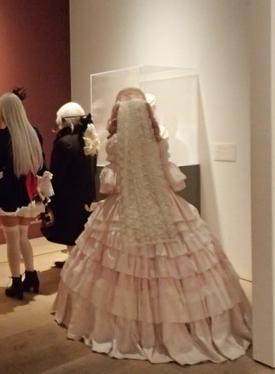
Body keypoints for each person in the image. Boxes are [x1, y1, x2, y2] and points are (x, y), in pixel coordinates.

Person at [53, 87, 252, 365]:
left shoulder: (116, 143)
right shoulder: (158, 142)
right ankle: (177, 323)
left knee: (122, 267)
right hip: (162, 202)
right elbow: (170, 179)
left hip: (124, 205)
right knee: (172, 262)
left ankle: (129, 325)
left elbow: (111, 184)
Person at [0, 89, 52, 300]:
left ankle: (16, 282)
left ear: (4, 112)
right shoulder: (34, 133)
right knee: (23, 237)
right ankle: (31, 276)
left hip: (8, 192)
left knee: (12, 240)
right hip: (28, 192)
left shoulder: (2, 136)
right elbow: (41, 165)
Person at [41, 102, 99, 267]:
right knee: (80, 230)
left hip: (68, 196)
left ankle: (74, 265)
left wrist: (49, 196)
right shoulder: (89, 140)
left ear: (64, 121)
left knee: (69, 231)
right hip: (86, 194)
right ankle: (77, 262)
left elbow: (57, 174)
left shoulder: (64, 142)